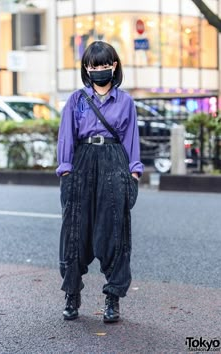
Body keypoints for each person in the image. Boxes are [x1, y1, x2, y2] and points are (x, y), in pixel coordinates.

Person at [56, 41, 144, 323]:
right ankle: (72, 294)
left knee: (114, 232)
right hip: (82, 164)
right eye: (94, 66)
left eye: (105, 65)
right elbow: (66, 137)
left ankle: (113, 299)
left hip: (114, 163)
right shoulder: (76, 101)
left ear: (114, 66)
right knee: (75, 232)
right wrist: (66, 172)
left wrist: (133, 174)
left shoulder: (126, 101)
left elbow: (131, 140)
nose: (99, 70)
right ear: (86, 68)